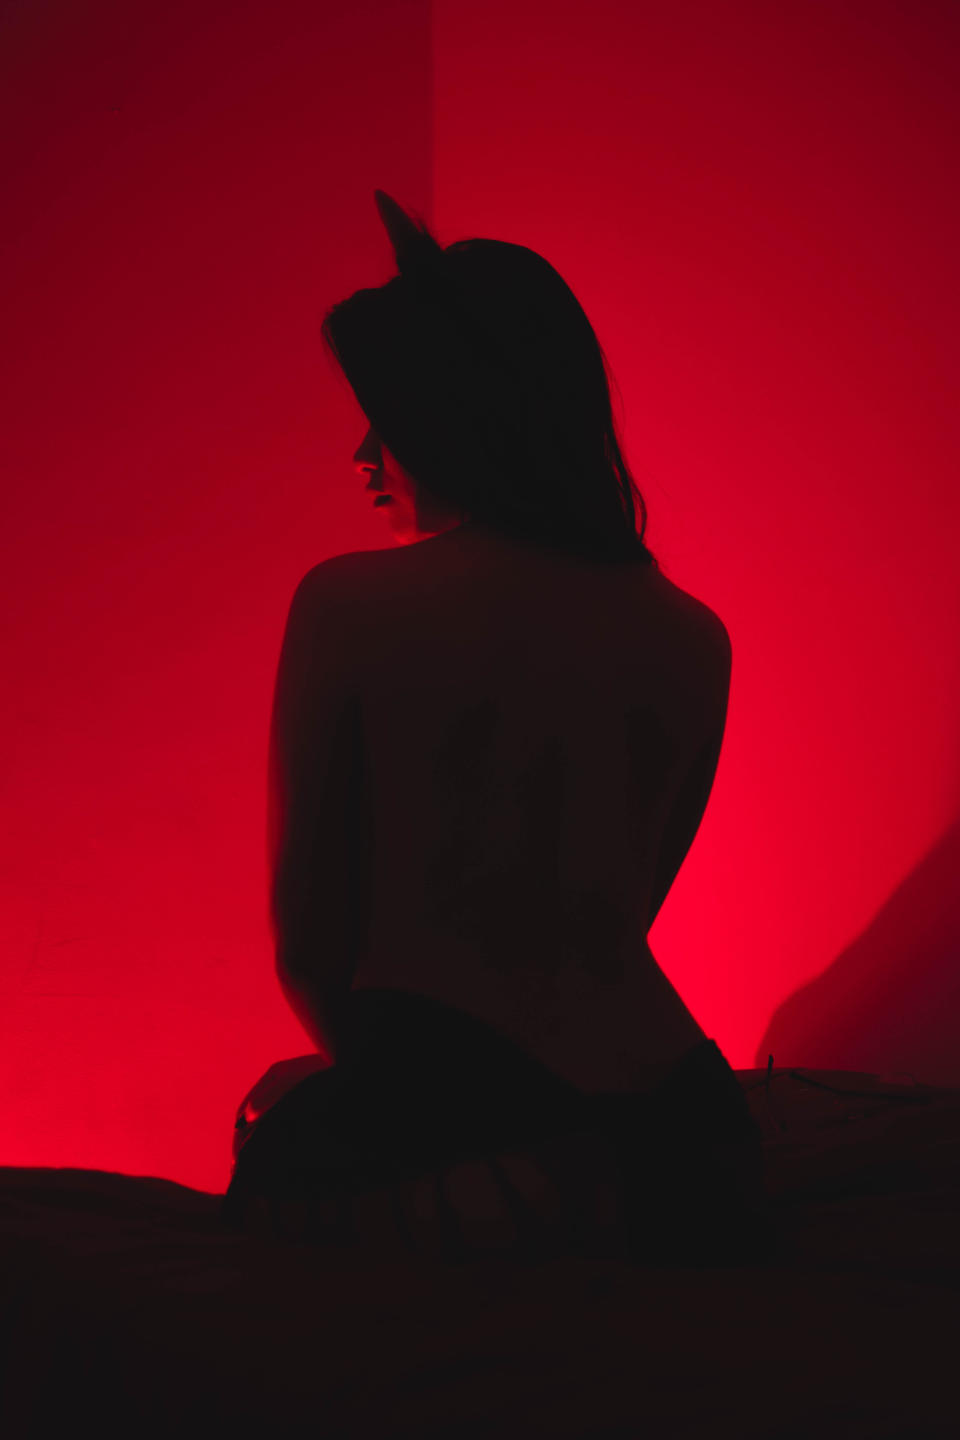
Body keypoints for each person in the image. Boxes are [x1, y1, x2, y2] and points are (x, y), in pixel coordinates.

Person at [221, 191, 779, 1266]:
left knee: (271, 1123)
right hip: (686, 1132)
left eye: (386, 419)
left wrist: (368, 1095)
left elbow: (311, 948)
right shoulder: (694, 636)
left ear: (452, 418)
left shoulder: (349, 604)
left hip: (466, 1117)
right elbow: (626, 908)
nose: (364, 456)